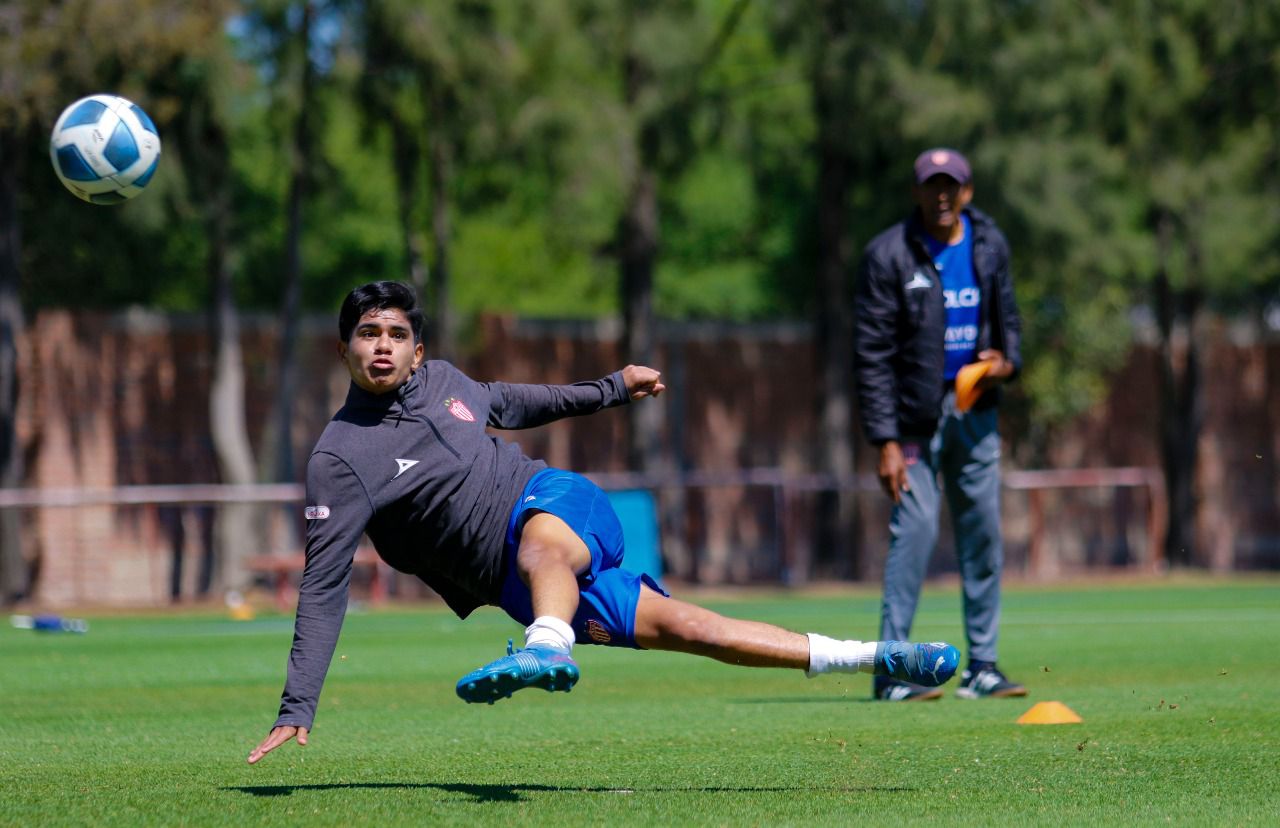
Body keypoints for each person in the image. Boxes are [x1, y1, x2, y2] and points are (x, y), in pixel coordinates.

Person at [248, 280, 959, 764]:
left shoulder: (445, 384)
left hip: (556, 506)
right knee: (694, 630)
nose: (382, 345)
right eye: (367, 333)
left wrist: (612, 388)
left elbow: (515, 400)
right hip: (522, 587)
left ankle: (549, 644)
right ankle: (878, 656)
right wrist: (297, 704)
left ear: (418, 351)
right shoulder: (339, 460)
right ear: (342, 348)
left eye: (397, 335)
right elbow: (323, 584)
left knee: (541, 546)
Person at [853, 148, 1027, 702]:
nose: (943, 195)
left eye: (952, 185)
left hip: (976, 414)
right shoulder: (888, 254)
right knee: (917, 533)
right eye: (932, 186)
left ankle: (983, 666)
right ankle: (893, 670)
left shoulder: (989, 245)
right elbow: (871, 354)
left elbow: (1009, 322)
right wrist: (883, 440)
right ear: (917, 192)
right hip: (912, 422)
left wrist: (1007, 363)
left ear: (969, 191)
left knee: (983, 537)